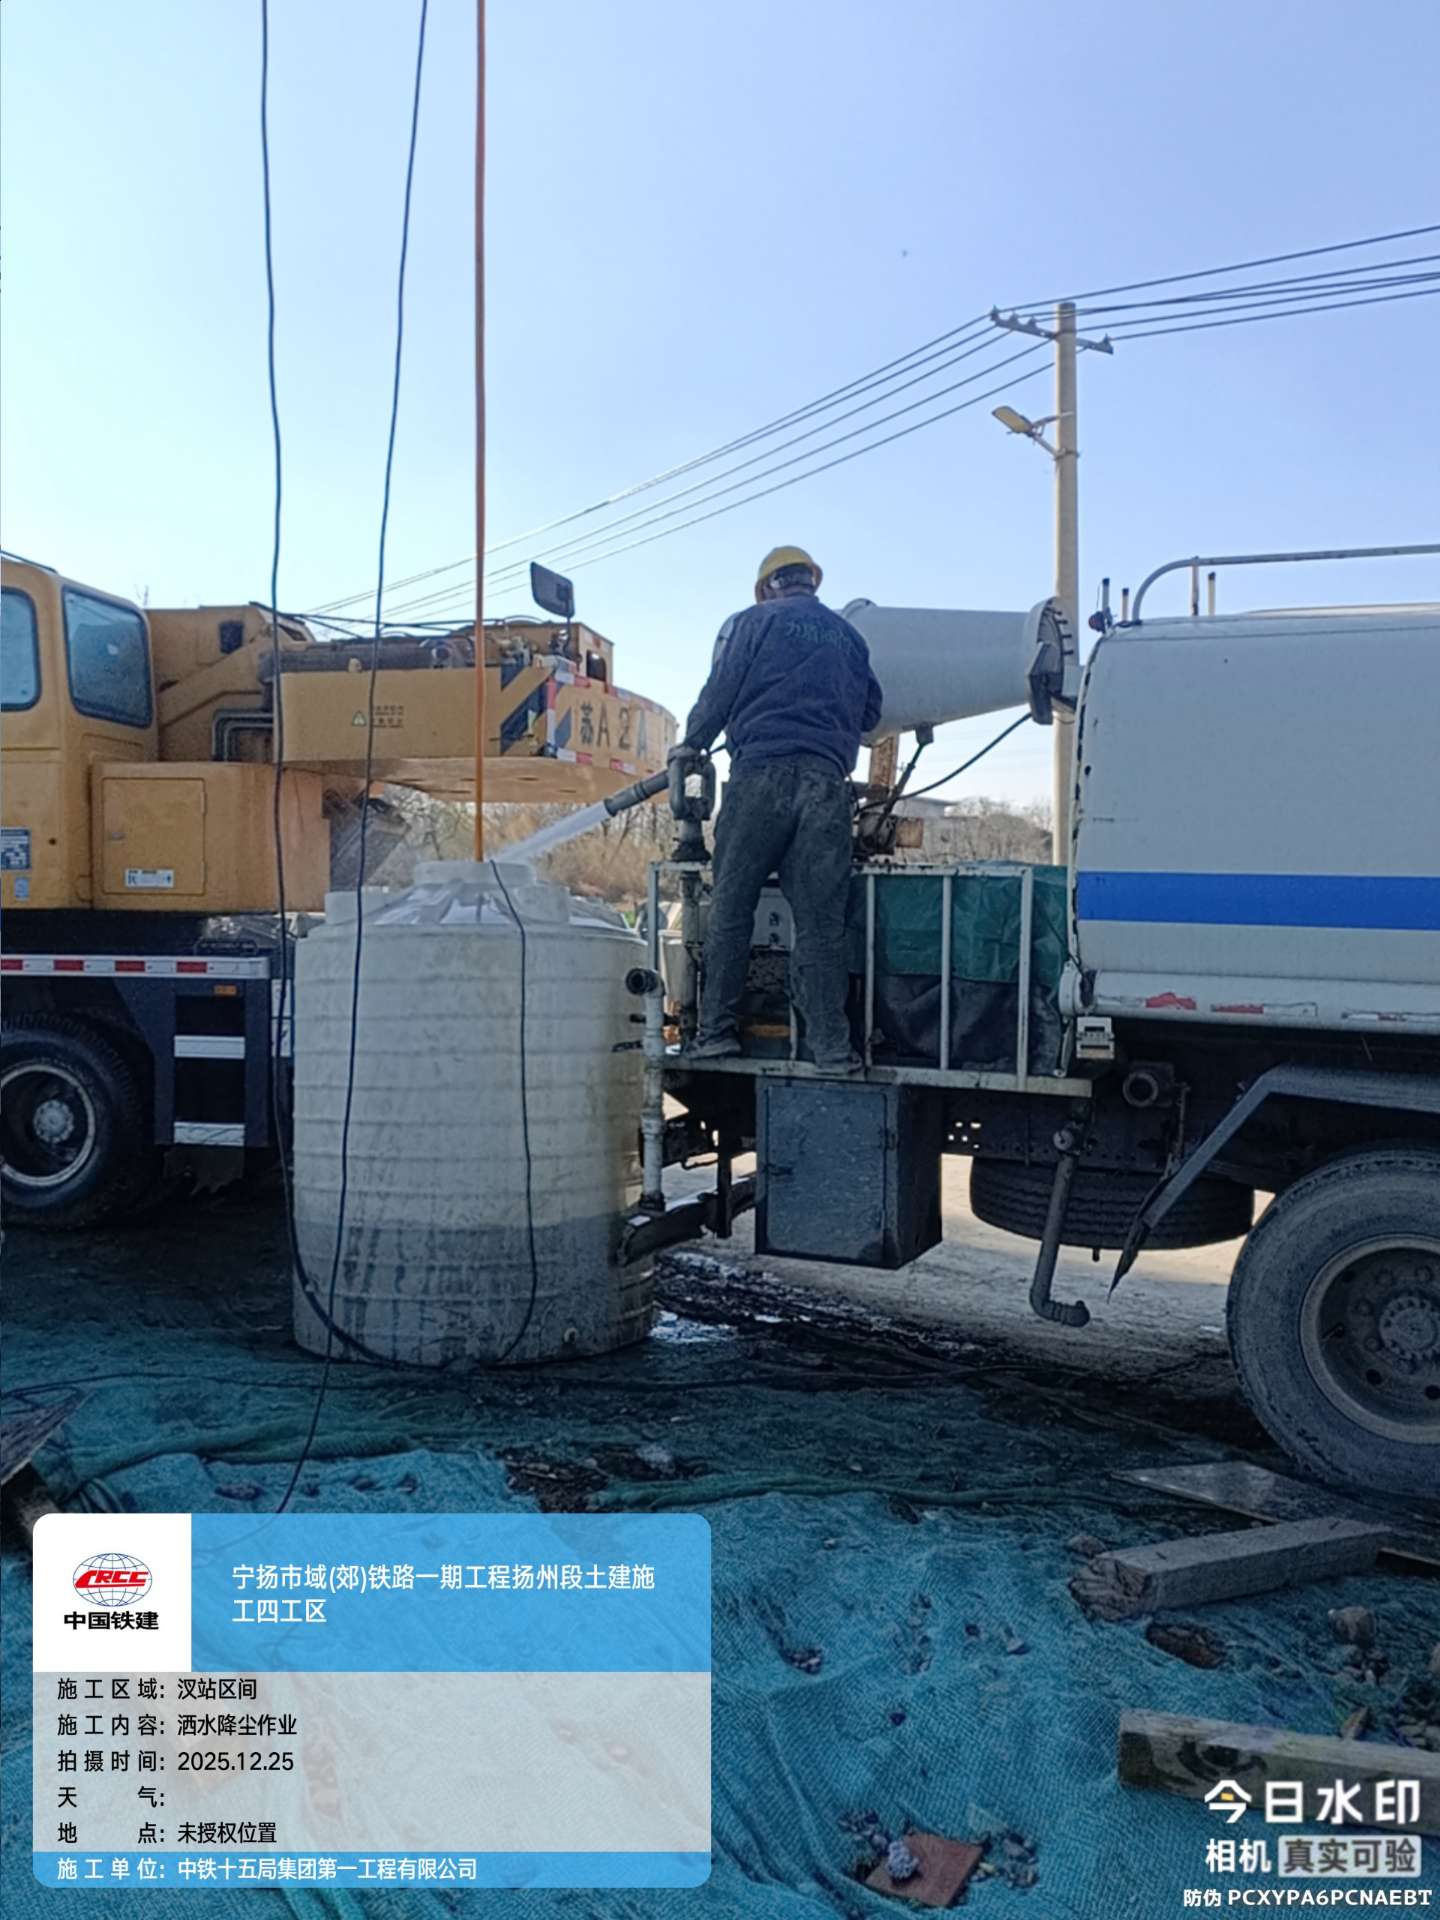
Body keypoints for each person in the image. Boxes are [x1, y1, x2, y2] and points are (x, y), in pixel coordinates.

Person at [677, 545, 883, 1071]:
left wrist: (692, 744)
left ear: (768, 586)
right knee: (820, 925)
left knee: (731, 908)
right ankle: (831, 1048)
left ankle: (716, 1033)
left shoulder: (754, 622)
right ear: (811, 582)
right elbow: (871, 714)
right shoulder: (851, 639)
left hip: (759, 779)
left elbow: (720, 691)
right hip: (825, 787)